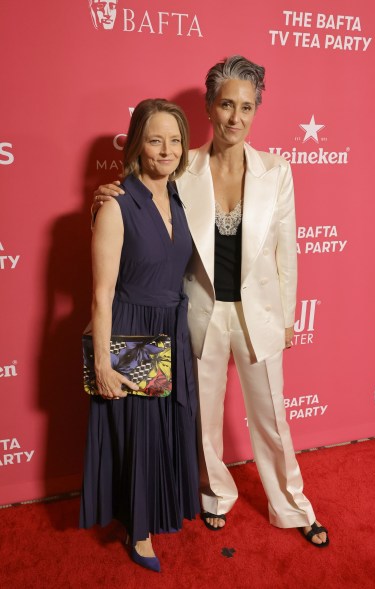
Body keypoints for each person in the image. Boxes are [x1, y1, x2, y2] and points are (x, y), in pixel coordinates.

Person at [92, 56, 329, 547]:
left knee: (273, 418)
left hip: (257, 314)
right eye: (226, 105)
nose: (235, 118)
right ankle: (216, 495)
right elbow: (146, 195)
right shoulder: (184, 166)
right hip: (198, 311)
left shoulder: (277, 171)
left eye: (246, 107)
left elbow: (289, 248)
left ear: (256, 111)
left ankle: (291, 504)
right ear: (209, 107)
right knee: (203, 417)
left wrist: (287, 316)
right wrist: (106, 194)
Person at [80, 98, 200, 573]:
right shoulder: (115, 204)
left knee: (165, 431)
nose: (166, 149)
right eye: (155, 139)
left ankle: (157, 512)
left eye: (175, 140)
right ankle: (140, 529)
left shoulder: (178, 198)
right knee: (141, 434)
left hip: (172, 327)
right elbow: (102, 294)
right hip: (134, 331)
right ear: (136, 145)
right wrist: (105, 364)